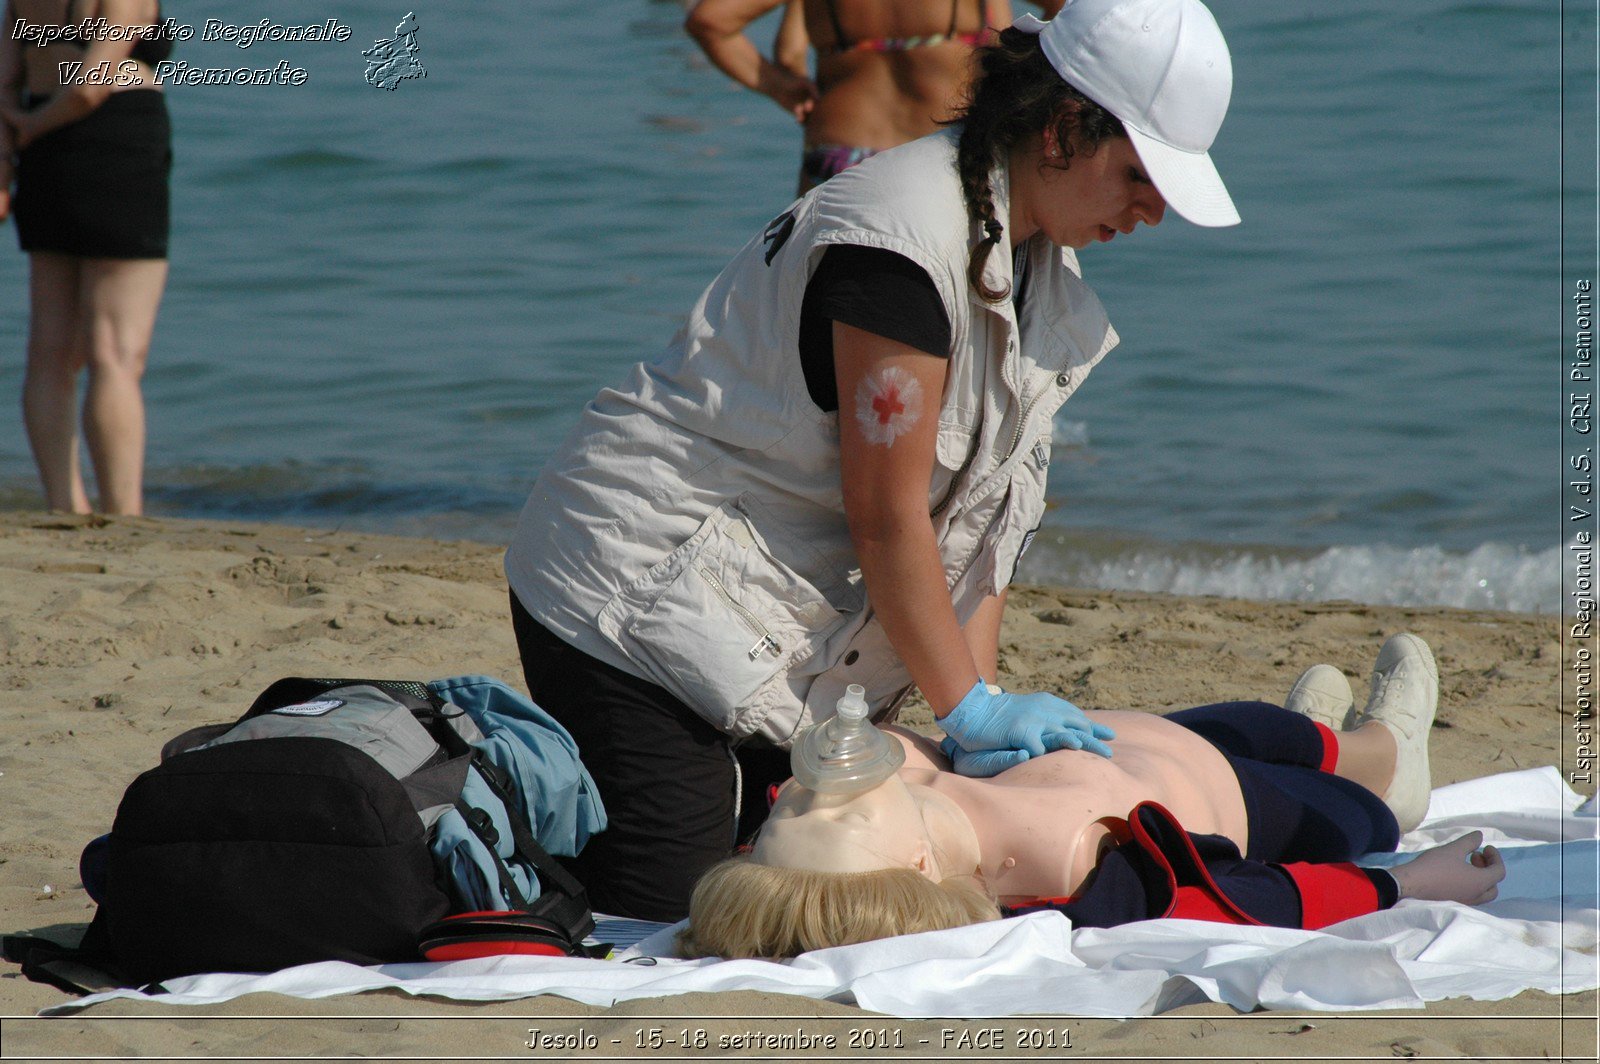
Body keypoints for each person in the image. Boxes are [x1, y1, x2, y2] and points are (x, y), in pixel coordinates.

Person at [506, 0, 1242, 921]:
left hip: (746, 611)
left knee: (813, 861)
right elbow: (886, 512)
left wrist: (977, 705)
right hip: (624, 594)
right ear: (1061, 129)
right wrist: (966, 710)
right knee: (679, 910)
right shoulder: (900, 244)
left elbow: (984, 516)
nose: (1155, 211)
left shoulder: (1034, 255)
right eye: (1140, 174)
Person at [680, 635, 1509, 958]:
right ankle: (1385, 760)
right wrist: (1412, 882)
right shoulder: (1071, 874)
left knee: (1254, 722)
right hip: (1248, 808)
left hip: (1138, 735)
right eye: (839, 811)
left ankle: (1319, 736)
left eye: (788, 806)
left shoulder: (895, 801)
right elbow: (1251, 902)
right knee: (1340, 788)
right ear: (921, 864)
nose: (810, 789)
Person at [0, 0, 173, 515]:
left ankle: (63, 504)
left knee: (50, 349)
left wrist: (13, 147)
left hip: (43, 153)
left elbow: (5, 79)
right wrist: (34, 128)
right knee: (116, 354)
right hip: (116, 140)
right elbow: (89, 85)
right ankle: (123, 512)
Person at [686, 0, 1047, 193]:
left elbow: (710, 20)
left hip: (842, 161)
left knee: (826, 316)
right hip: (948, 155)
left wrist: (781, 88)